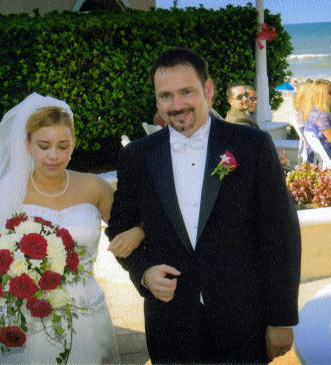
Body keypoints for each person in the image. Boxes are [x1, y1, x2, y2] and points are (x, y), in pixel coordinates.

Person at [107, 48, 301, 364]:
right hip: (171, 326)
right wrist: (144, 273)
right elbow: (119, 229)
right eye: (166, 95)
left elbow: (280, 237)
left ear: (208, 90)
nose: (177, 104)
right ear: (156, 100)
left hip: (243, 323)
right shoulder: (137, 157)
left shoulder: (252, 146)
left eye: (187, 92)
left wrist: (281, 318)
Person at [0, 93, 145, 363]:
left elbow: (131, 227)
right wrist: (19, 270)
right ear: (27, 145)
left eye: (63, 146)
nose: (54, 156)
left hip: (85, 313)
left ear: (74, 144)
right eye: (44, 145)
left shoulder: (93, 187)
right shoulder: (9, 191)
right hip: (27, 317)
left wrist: (138, 232)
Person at [304, 79, 331, 165]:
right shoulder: (321, 116)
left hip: (318, 155)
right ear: (320, 95)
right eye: (330, 92)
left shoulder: (314, 111)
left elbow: (324, 132)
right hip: (330, 156)